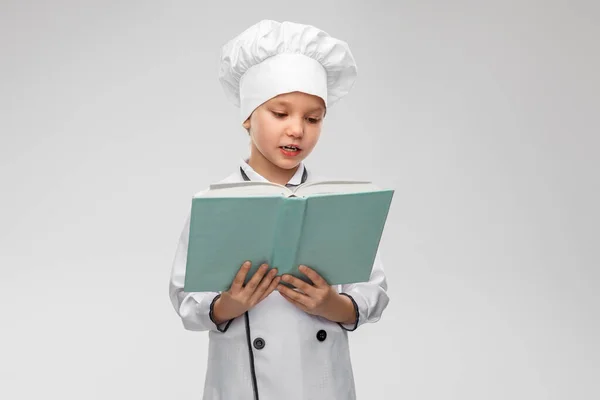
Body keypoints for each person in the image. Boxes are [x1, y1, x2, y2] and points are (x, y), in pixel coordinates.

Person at [169, 19, 389, 400]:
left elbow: (375, 291)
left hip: (324, 386)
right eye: (280, 112)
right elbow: (186, 300)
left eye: (312, 118)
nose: (297, 130)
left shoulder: (337, 203)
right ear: (248, 116)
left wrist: (334, 305)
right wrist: (228, 305)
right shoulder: (217, 202)